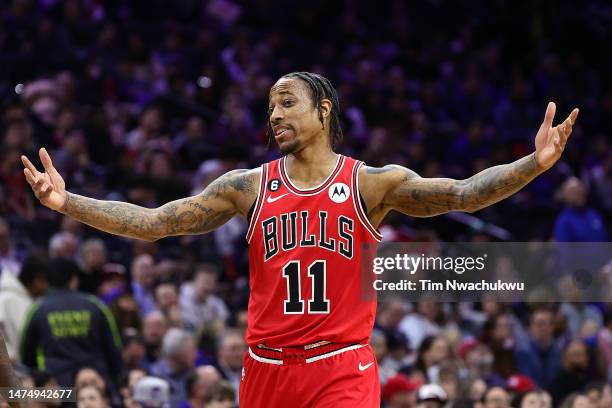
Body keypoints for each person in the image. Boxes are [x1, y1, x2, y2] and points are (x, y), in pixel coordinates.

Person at [21, 72, 579, 407]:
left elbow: (460, 194)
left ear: (324, 109)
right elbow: (153, 221)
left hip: (341, 365)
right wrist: (66, 202)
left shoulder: (368, 183)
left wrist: (533, 163)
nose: (275, 114)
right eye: (270, 106)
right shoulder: (247, 187)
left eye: (288, 102)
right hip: (265, 367)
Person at [19, 258, 123, 387]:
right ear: (74, 280)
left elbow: (26, 355)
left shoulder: (39, 309)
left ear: (48, 280)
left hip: (59, 388)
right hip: (94, 385)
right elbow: (113, 351)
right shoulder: (95, 305)